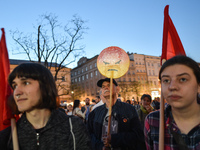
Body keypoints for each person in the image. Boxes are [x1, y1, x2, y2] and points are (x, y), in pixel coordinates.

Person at [0, 63, 91, 150]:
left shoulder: (73, 127)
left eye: (26, 83)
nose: (17, 92)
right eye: (14, 86)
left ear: (45, 86)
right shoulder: (8, 136)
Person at [145, 55, 200, 150]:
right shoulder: (153, 120)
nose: (172, 86)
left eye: (183, 79)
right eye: (166, 80)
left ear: (198, 85)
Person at [88, 78, 146, 150]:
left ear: (117, 89)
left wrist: (114, 139)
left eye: (109, 85)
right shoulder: (95, 112)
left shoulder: (129, 109)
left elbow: (138, 135)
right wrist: (100, 147)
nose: (106, 87)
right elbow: (89, 135)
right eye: (103, 86)